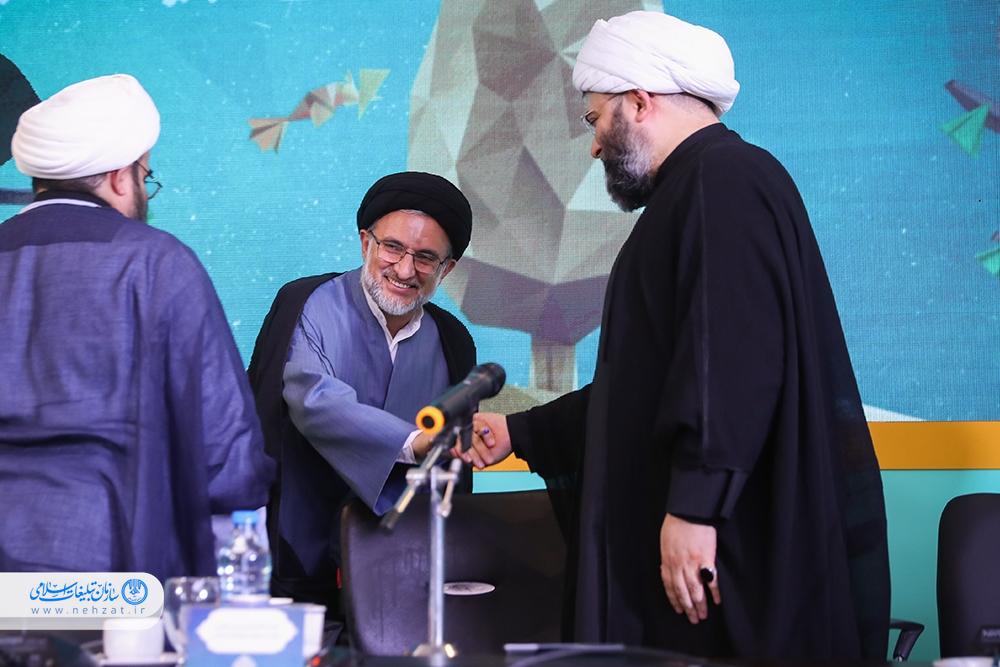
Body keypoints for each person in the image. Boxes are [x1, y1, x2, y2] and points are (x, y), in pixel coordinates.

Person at [460, 11, 890, 660]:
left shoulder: (723, 181)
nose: (594, 146)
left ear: (640, 101)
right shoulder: (703, 187)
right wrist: (520, 432)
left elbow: (735, 361)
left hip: (725, 562)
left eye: (595, 118)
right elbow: (651, 387)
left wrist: (695, 508)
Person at [0, 74, 274, 583]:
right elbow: (224, 445)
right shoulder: (157, 264)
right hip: (118, 580)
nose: (145, 190)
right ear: (120, 177)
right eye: (146, 175)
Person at [247, 171, 476, 618]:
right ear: (365, 242)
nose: (405, 270)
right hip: (299, 551)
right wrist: (415, 441)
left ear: (446, 269)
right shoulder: (307, 303)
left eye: (426, 257)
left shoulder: (453, 341)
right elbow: (314, 401)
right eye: (392, 247)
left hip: (403, 565)